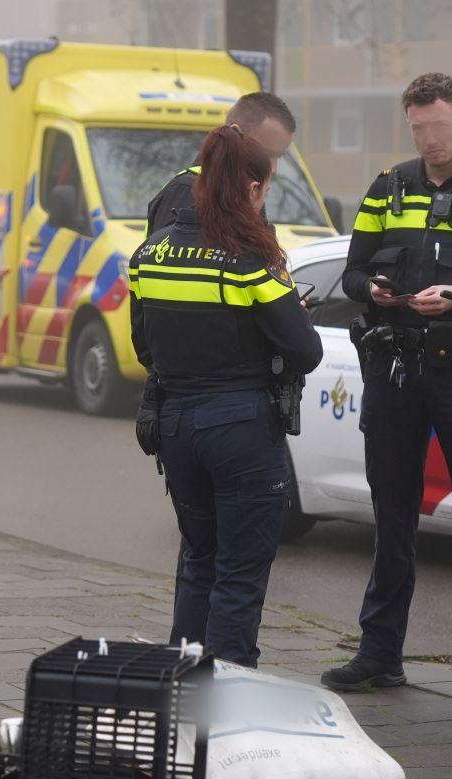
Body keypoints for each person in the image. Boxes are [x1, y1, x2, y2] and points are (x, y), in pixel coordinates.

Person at [323, 73, 452, 705]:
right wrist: (376, 292)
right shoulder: (388, 188)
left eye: (439, 127)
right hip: (395, 371)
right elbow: (353, 271)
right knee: (391, 518)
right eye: (418, 129)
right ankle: (379, 655)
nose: (429, 140)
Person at [128, 125, 324, 668]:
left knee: (198, 562)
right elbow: (305, 351)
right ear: (252, 189)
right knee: (239, 574)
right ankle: (231, 701)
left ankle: (183, 693)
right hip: (239, 426)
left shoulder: (150, 253)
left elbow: (144, 345)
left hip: (177, 426)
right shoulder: (247, 259)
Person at [146, 92, 298, 232]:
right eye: (265, 152)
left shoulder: (248, 194)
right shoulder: (187, 190)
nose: (273, 169)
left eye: (279, 156)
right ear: (235, 133)